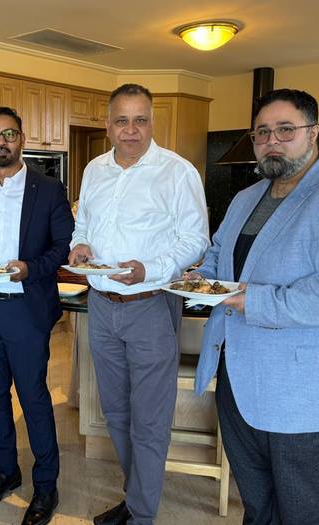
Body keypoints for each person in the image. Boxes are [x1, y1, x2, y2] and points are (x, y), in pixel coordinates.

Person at [192, 89, 319, 525]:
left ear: (313, 134)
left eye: (286, 129)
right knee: (259, 505)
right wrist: (195, 277)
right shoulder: (247, 198)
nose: (272, 141)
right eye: (262, 132)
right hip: (242, 383)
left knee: (307, 514)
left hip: (311, 392)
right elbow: (217, 257)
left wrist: (254, 300)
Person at [68, 84, 209, 525]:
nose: (131, 130)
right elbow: (84, 223)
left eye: (140, 119)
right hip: (102, 304)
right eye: (122, 120)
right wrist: (80, 247)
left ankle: (142, 515)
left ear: (152, 122)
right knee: (115, 411)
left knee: (149, 418)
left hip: (150, 303)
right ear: (108, 124)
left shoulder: (177, 171)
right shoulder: (94, 169)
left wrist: (150, 267)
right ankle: (135, 501)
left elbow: (195, 239)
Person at [0, 106, 73, 525]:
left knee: (34, 399)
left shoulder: (48, 188)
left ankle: (46, 486)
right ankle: (7, 472)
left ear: (22, 138)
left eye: (8, 134)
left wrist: (30, 268)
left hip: (25, 308)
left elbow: (62, 246)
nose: (0, 142)